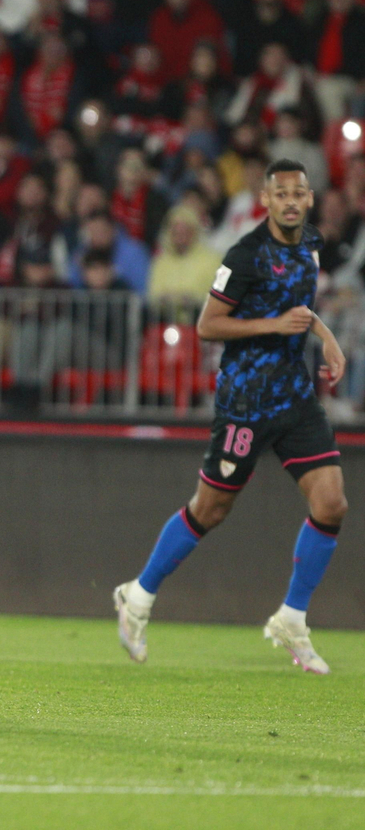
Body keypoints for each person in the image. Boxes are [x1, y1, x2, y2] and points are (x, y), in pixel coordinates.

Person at [114, 160, 348, 674]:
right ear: (264, 199)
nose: (290, 201)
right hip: (244, 401)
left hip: (294, 398)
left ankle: (292, 617)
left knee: (331, 503)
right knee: (210, 510)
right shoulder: (244, 256)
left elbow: (300, 311)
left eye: (298, 193)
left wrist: (325, 338)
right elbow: (207, 325)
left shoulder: (309, 245)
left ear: (309, 199)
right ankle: (137, 596)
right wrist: (272, 324)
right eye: (280, 193)